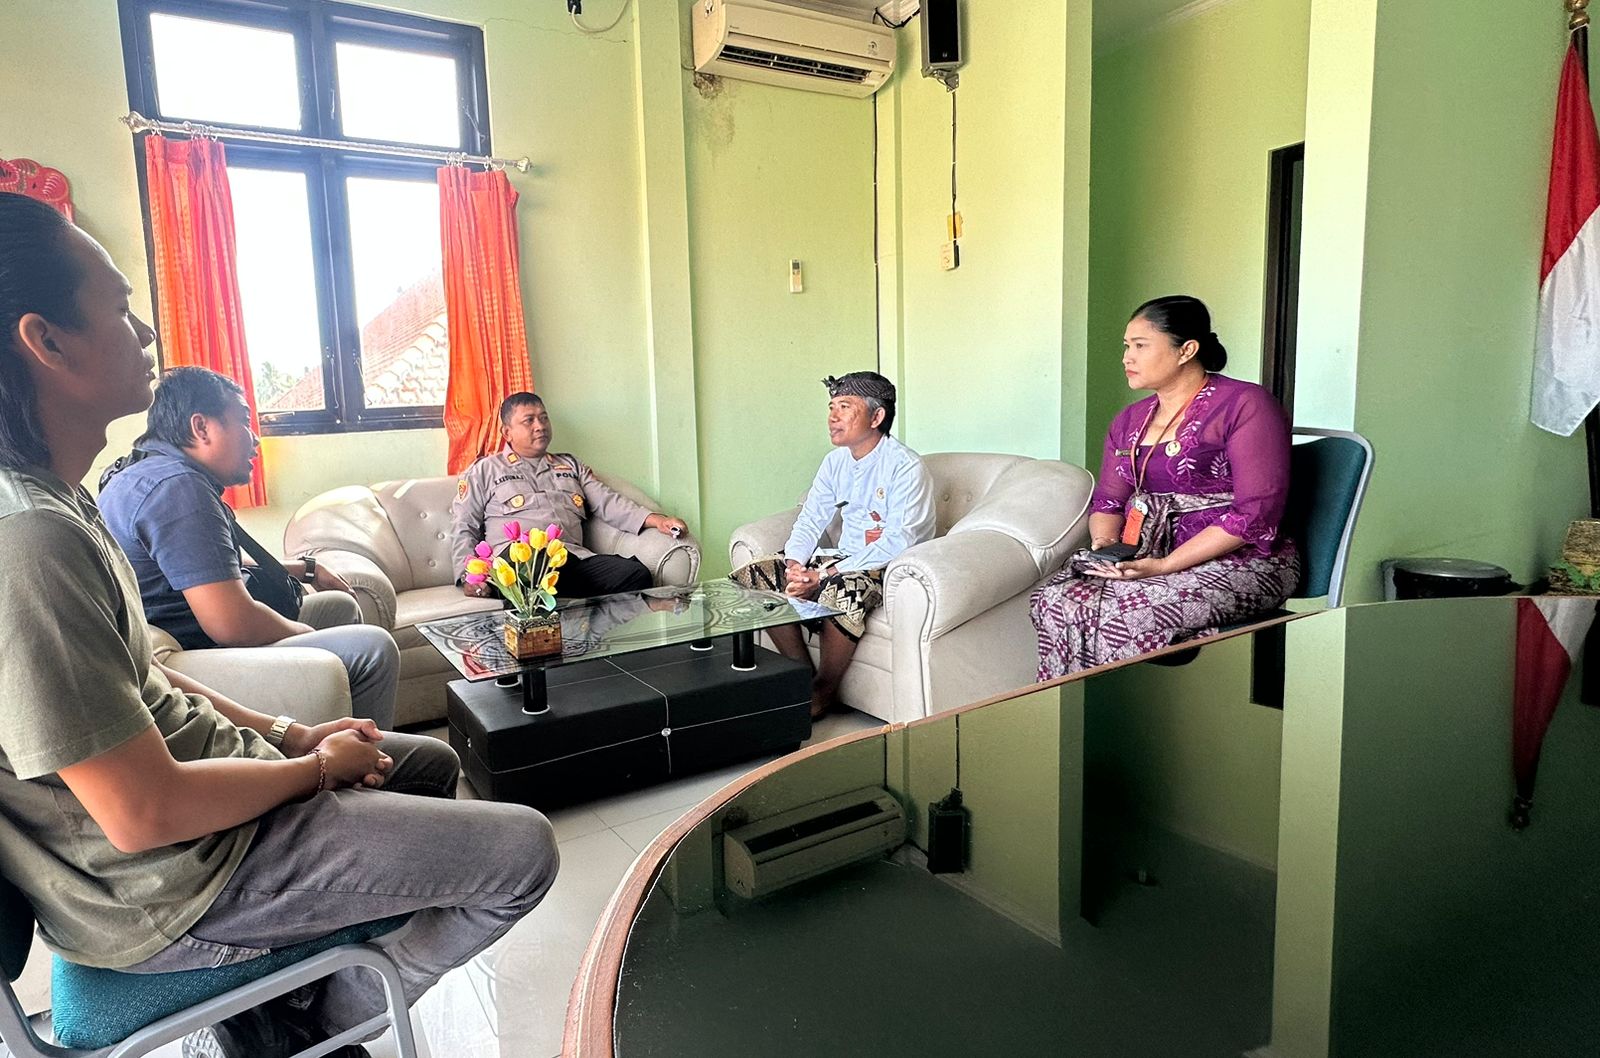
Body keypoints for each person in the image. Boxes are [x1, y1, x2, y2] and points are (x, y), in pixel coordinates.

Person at [0, 192, 557, 1058]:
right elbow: (142, 813)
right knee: (525, 850)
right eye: (119, 307)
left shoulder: (64, 500)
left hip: (196, 830)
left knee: (429, 763)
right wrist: (311, 771)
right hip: (172, 887)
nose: (144, 333)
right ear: (46, 340)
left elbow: (147, 677)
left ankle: (289, 997)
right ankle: (326, 1029)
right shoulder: (29, 541)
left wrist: (293, 733)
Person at [98, 366, 400, 729]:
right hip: (192, 656)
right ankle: (367, 756)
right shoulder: (178, 489)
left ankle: (340, 728)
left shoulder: (139, 473)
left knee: (340, 606)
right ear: (201, 427)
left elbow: (209, 566)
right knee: (373, 649)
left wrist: (307, 568)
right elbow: (232, 624)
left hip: (186, 634)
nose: (255, 439)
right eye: (243, 420)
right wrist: (307, 637)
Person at [1030, 295, 1300, 678]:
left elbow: (1255, 514)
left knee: (1119, 615)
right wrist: (1108, 548)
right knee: (1053, 599)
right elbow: (1108, 502)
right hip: (1147, 555)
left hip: (1245, 561)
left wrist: (1167, 565)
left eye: (1140, 346)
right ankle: (1065, 706)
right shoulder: (1129, 420)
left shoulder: (1245, 404)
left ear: (1186, 350)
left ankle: (1113, 704)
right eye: (1126, 346)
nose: (1127, 357)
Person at [730, 372, 936, 718]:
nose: (832, 417)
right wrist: (795, 564)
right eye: (831, 407)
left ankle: (825, 689)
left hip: (887, 566)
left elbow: (900, 540)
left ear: (877, 416)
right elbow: (811, 518)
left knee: (842, 589)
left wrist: (823, 575)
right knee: (754, 576)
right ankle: (802, 678)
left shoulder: (905, 467)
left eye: (844, 407)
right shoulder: (835, 461)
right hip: (839, 559)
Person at [451, 391, 689, 598]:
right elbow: (464, 525)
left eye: (544, 418)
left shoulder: (570, 465)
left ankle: (585, 625)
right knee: (535, 564)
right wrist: (469, 576)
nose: (540, 426)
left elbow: (608, 502)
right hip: (520, 565)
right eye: (529, 420)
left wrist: (658, 520)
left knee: (635, 574)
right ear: (507, 432)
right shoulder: (485, 470)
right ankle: (557, 609)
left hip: (571, 559)